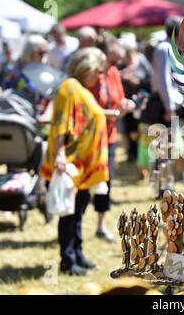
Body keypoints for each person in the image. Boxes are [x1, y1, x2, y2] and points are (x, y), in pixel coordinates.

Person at [41, 47, 109, 276]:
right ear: (85, 67)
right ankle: (67, 261)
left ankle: (77, 253)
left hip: (82, 167)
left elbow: (90, 116)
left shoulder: (82, 90)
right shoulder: (69, 87)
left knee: (78, 213)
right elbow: (60, 123)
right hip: (70, 163)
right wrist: (60, 154)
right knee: (69, 215)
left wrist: (116, 113)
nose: (100, 76)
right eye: (98, 71)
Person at [91, 35, 135, 242]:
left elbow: (119, 98)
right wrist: (114, 114)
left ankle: (101, 224)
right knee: (87, 183)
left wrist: (126, 104)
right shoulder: (92, 74)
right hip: (91, 137)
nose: (115, 64)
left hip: (109, 136)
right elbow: (90, 108)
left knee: (106, 182)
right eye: (113, 60)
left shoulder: (114, 72)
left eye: (118, 61)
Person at [151, 16, 184, 183]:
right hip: (164, 104)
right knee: (164, 145)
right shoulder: (164, 49)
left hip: (172, 103)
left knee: (170, 144)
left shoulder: (170, 48)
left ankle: (166, 182)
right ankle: (163, 184)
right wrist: (169, 107)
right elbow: (164, 81)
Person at [119, 33, 153, 179]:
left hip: (142, 102)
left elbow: (150, 79)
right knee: (128, 131)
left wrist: (137, 82)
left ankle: (141, 164)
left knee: (141, 132)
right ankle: (131, 155)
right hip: (126, 103)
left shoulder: (142, 60)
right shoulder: (120, 64)